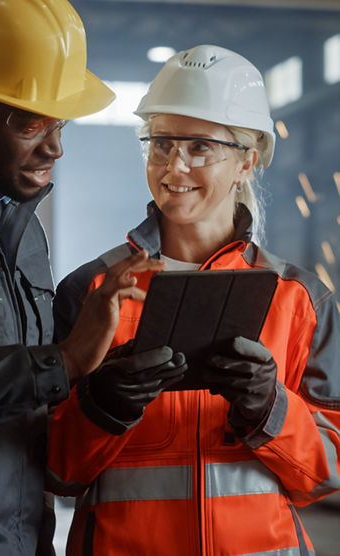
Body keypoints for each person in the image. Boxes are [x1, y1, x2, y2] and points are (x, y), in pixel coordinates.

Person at [0, 0, 188, 554]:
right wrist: (59, 362)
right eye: (31, 122)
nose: (55, 147)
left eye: (60, 123)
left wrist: (98, 383)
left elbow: (16, 401)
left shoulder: (19, 224)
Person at [47, 44, 340, 555]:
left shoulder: (300, 299)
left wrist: (270, 407)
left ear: (247, 161)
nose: (173, 166)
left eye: (200, 147)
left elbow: (327, 475)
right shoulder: (94, 290)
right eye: (160, 143)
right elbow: (55, 472)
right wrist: (103, 407)